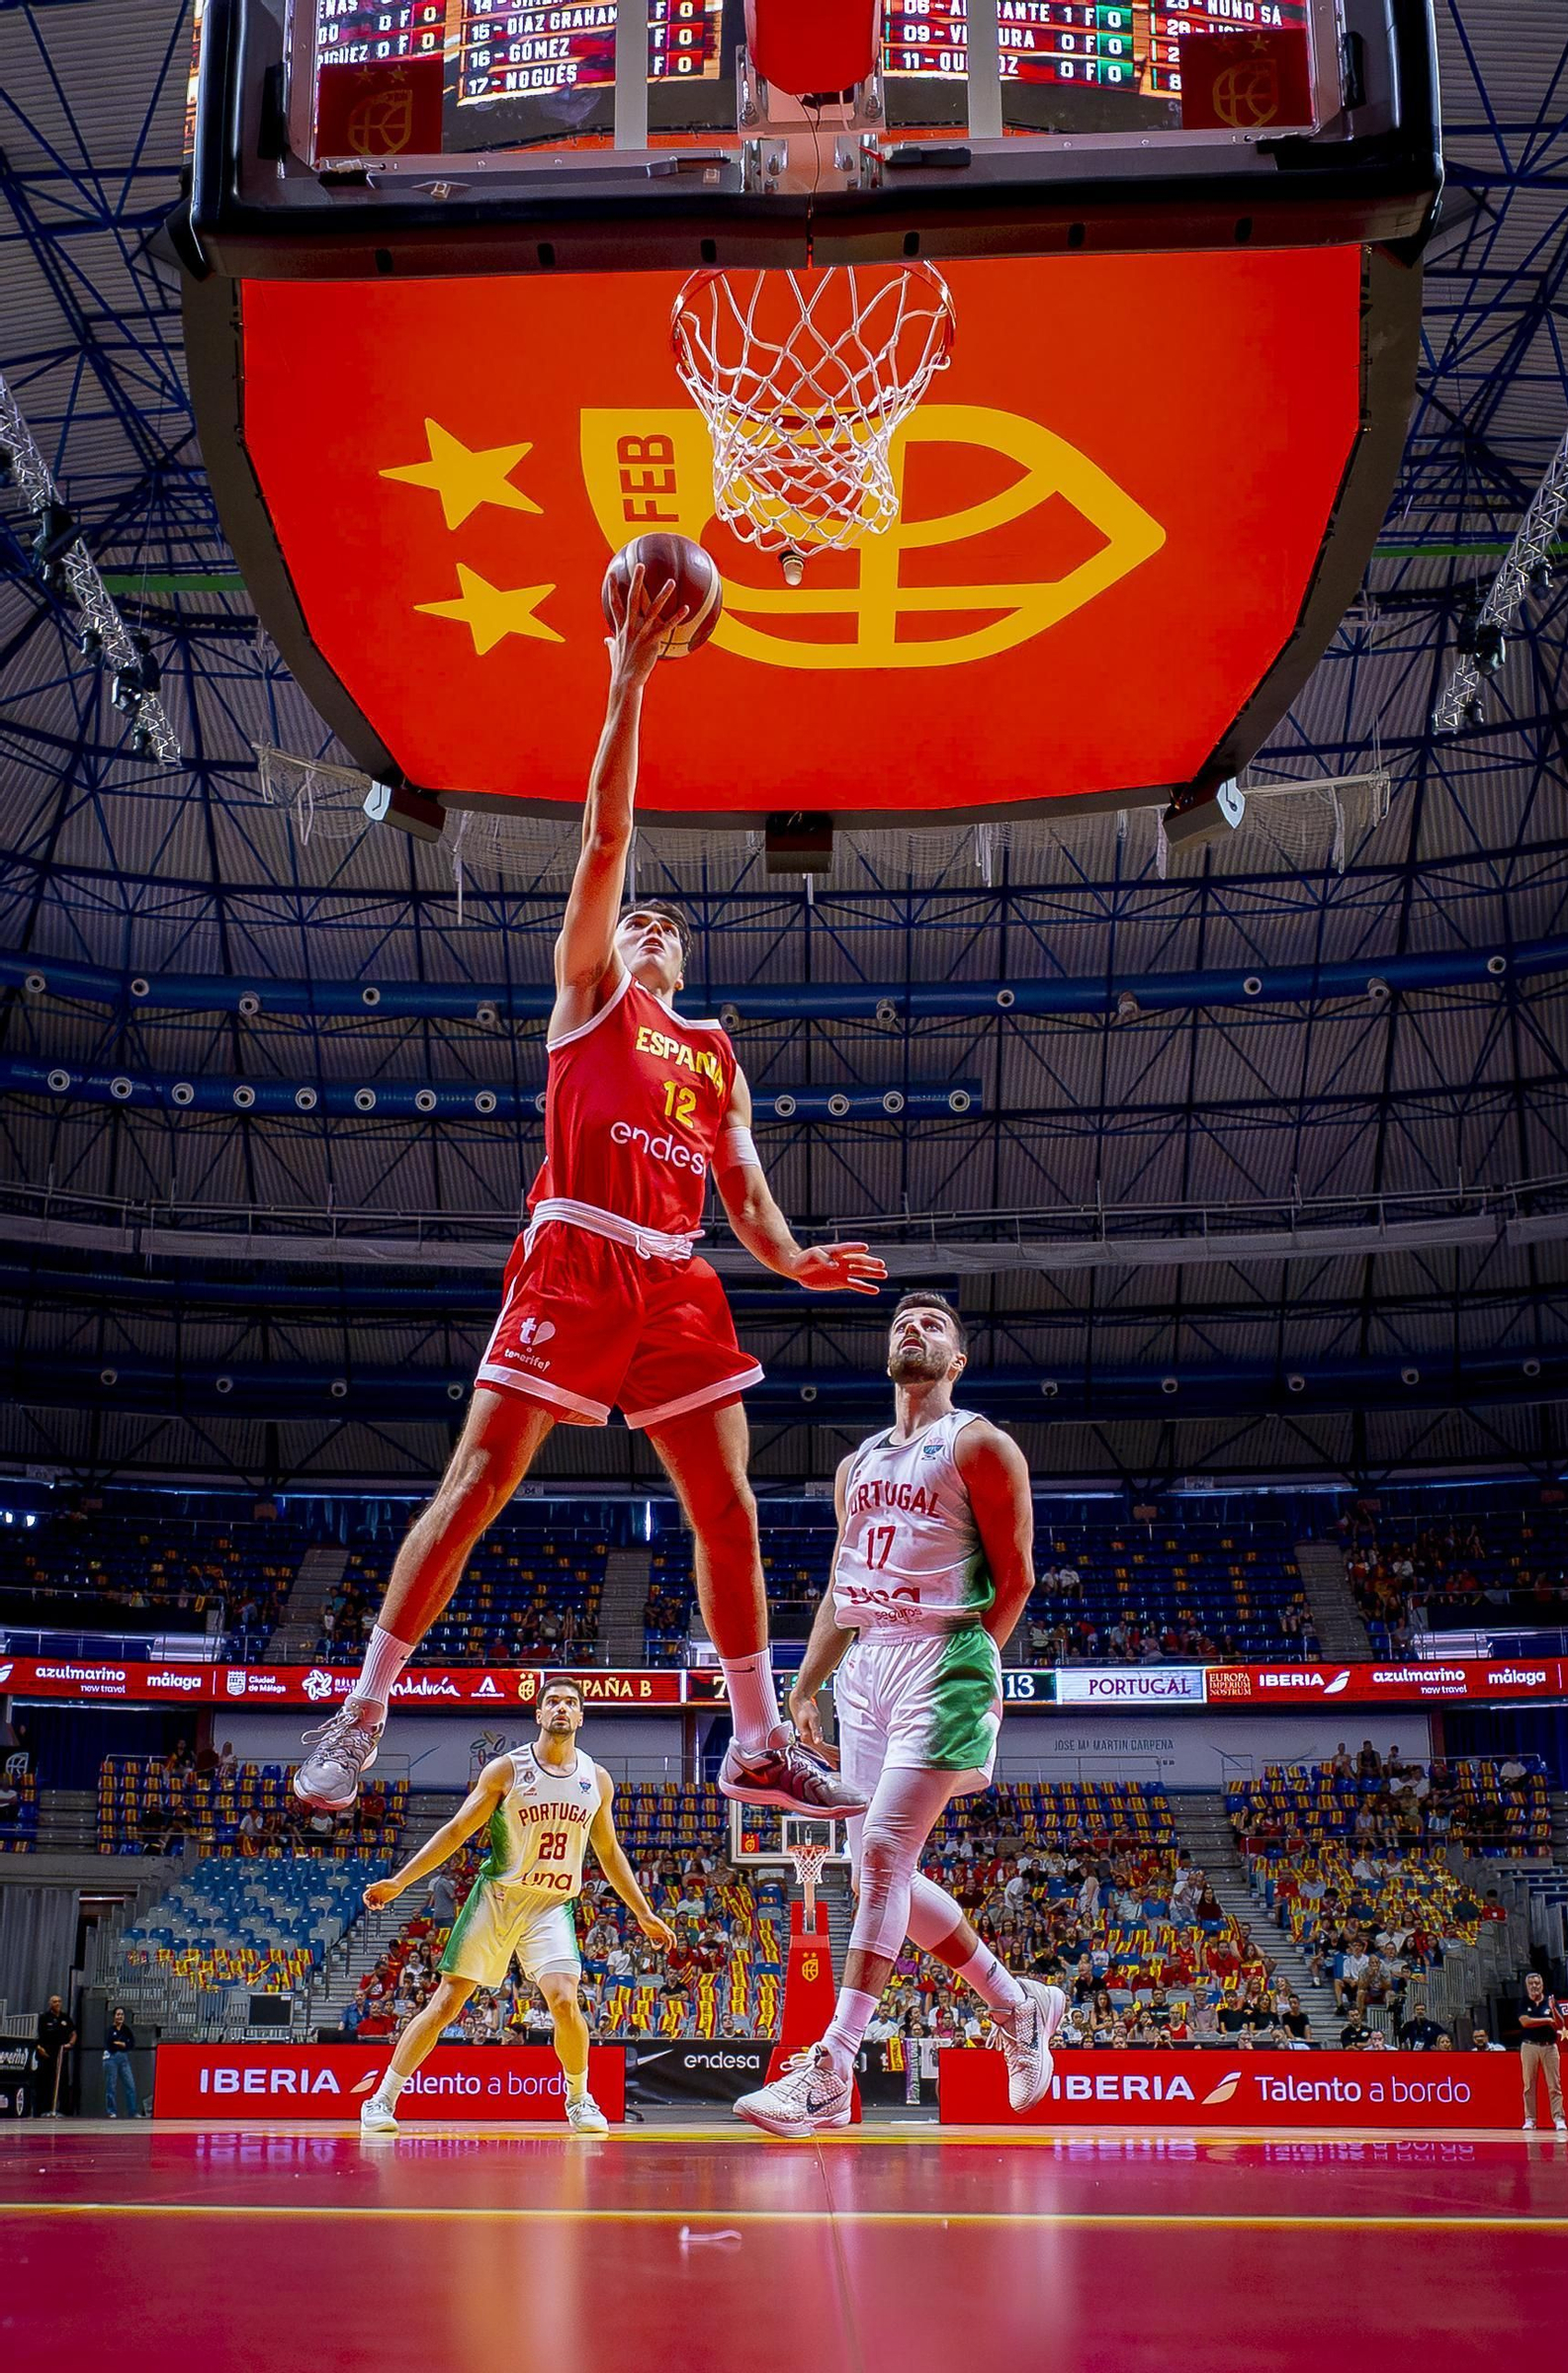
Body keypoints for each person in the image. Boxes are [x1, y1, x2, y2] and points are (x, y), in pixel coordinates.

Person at [294, 571, 882, 1824]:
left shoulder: (714, 1050)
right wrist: (628, 678)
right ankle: (363, 1712)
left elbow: (746, 1194)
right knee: (473, 1489)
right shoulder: (587, 998)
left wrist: (792, 1264)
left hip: (676, 1273)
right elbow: (606, 841)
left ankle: (760, 1739)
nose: (652, 929)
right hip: (571, 1254)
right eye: (639, 923)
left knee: (727, 1506)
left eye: (670, 927)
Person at [733, 1293, 1061, 2137]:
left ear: (957, 1361)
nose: (912, 1329)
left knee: (880, 1848)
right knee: (880, 1871)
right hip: (867, 1665)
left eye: (935, 1325)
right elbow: (845, 1593)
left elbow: (1017, 1575)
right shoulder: (856, 1466)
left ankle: (833, 2066)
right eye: (901, 1323)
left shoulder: (981, 1443)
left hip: (945, 1651)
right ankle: (1018, 2006)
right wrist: (805, 1685)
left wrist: (968, 1659)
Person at [356, 1677, 674, 2137]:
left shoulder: (596, 1779)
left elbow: (608, 1851)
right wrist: (401, 1881)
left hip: (551, 1905)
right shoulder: (507, 1769)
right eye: (552, 1702)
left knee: (565, 2001)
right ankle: (381, 2099)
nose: (561, 1708)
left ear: (581, 1717)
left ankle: (579, 2098)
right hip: (498, 1899)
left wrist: (643, 1911)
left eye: (570, 1703)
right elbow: (457, 1830)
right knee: (447, 2003)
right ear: (539, 1715)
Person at [1517, 1971, 1568, 2133]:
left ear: (1542, 1985)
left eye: (1537, 1983)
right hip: (1529, 2046)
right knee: (1529, 2085)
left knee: (1554, 2085)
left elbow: (1560, 2025)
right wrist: (1547, 2020)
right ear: (1527, 1986)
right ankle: (1530, 2119)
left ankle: (1559, 2119)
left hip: (1549, 2046)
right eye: (1531, 1983)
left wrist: (1554, 2011)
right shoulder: (1523, 2002)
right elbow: (1525, 2022)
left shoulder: (1550, 2002)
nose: (1534, 1986)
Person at [35, 1993, 75, 2117]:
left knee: (62, 2081)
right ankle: (44, 2110)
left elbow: (73, 2033)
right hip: (47, 2053)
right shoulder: (44, 2017)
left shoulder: (65, 2018)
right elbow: (39, 2036)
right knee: (47, 2081)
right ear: (50, 2004)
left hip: (62, 2053)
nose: (57, 2003)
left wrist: (71, 2043)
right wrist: (40, 2048)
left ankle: (63, 2110)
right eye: (55, 2002)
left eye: (59, 2001)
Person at [102, 2008, 138, 2118]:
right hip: (111, 2058)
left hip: (123, 2058)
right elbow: (110, 2043)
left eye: (122, 2014)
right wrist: (121, 2043)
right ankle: (111, 2111)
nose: (120, 2017)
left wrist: (123, 2044)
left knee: (130, 2085)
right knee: (111, 2086)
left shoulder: (126, 2030)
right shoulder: (110, 2030)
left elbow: (131, 2043)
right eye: (118, 2014)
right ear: (114, 2016)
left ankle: (132, 2111)